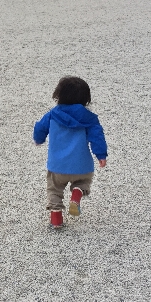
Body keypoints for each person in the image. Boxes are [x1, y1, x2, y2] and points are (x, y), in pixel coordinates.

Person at [33, 76, 108, 228]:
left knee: (54, 190)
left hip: (57, 165)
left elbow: (40, 128)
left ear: (59, 95)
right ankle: (77, 193)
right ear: (86, 98)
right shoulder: (89, 118)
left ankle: (56, 219)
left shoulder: (53, 115)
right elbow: (97, 136)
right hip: (81, 165)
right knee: (83, 182)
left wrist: (38, 139)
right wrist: (101, 155)